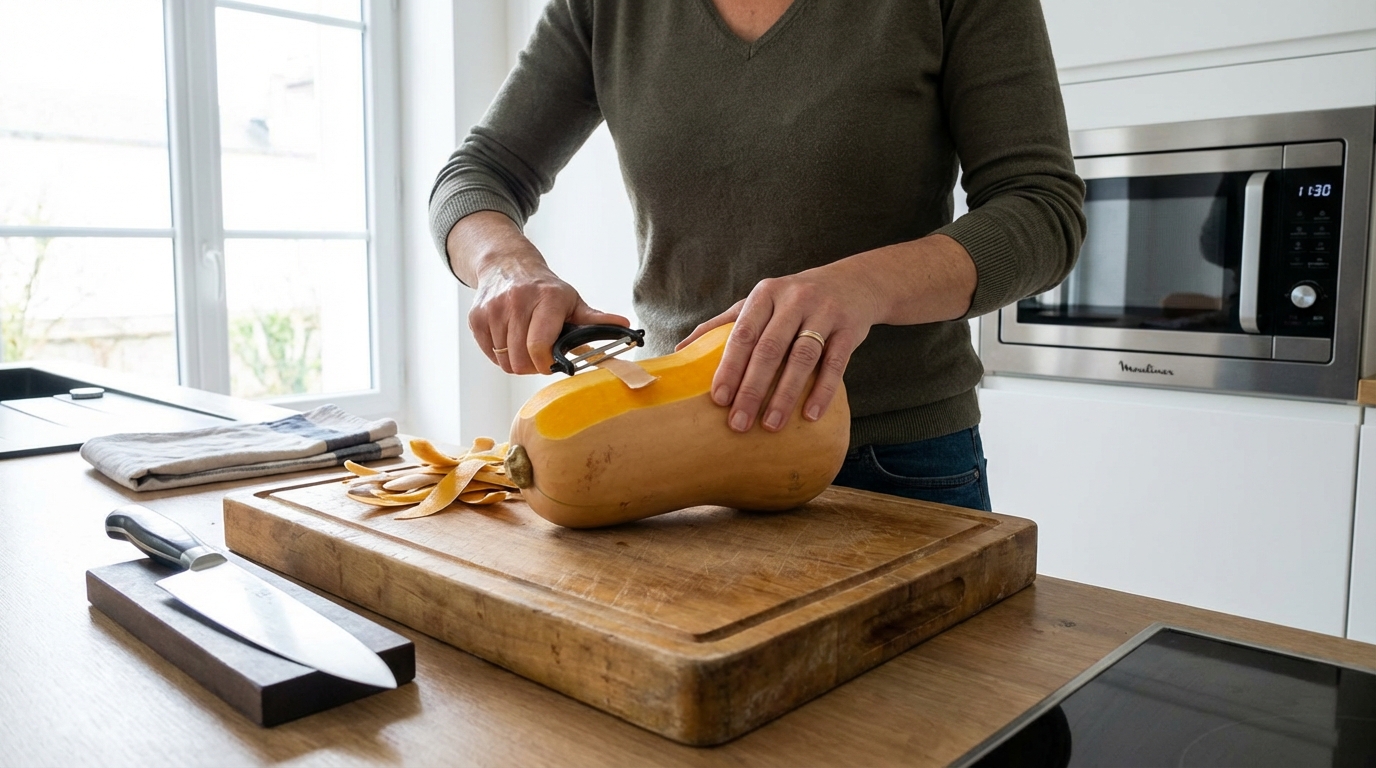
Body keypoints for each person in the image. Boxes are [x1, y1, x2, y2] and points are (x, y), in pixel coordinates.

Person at [429, 0, 1086, 513]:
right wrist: (503, 261)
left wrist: (862, 285)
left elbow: (1042, 208)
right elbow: (477, 173)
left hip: (895, 461)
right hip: (664, 452)